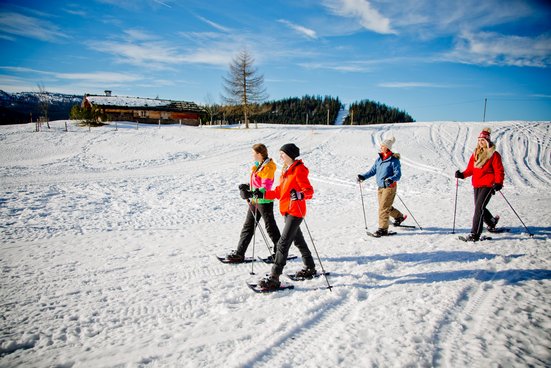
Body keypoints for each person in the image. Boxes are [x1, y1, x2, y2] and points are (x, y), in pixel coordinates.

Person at [246, 143, 316, 290]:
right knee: (299, 241)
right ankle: (310, 267)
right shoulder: (286, 170)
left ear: (289, 155)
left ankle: (274, 277)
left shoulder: (299, 170)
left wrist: (299, 195)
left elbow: (309, 191)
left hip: (296, 211)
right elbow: (279, 191)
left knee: (283, 244)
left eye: (282, 154)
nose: (280, 157)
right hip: (286, 210)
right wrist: (262, 193)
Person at [226, 143, 281, 263]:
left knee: (270, 227)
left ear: (260, 154)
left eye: (254, 153)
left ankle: (280, 252)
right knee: (248, 226)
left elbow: (265, 186)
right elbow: (256, 182)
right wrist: (247, 186)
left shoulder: (268, 167)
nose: (252, 156)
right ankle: (240, 253)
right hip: (255, 200)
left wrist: (252, 193)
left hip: (264, 201)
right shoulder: (258, 166)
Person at [455, 128, 504, 241]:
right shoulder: (476, 154)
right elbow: (470, 169)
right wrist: (461, 175)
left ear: (487, 141)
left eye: (483, 140)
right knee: (480, 207)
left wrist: (498, 183)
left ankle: (475, 234)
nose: (481, 142)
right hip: (477, 184)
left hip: (488, 185)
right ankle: (492, 222)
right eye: (479, 140)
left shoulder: (494, 155)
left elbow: (499, 170)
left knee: (479, 208)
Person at [357, 136, 406, 236]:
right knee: (384, 206)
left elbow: (398, 174)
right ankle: (399, 216)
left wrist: (391, 179)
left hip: (390, 187)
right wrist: (363, 177)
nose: (381, 147)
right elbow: (372, 171)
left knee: (383, 208)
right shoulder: (379, 160)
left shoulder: (394, 160)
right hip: (380, 187)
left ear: (387, 147)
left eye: (383, 146)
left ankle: (383, 229)